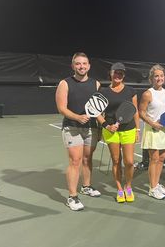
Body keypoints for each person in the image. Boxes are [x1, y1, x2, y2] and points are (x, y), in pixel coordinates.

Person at [55, 52, 101, 211]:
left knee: (88, 158)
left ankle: (86, 187)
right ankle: (72, 197)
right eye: (78, 64)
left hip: (91, 128)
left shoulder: (96, 84)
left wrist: (103, 125)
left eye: (84, 63)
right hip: (72, 127)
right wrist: (77, 117)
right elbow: (61, 108)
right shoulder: (65, 83)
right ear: (73, 66)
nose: (81, 66)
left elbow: (98, 109)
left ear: (89, 66)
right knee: (76, 160)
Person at [97, 62, 139, 203]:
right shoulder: (103, 92)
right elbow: (98, 113)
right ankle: (120, 188)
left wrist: (137, 129)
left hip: (129, 129)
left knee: (129, 162)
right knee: (116, 160)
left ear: (124, 75)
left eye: (121, 73)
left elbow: (135, 111)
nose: (118, 75)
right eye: (116, 72)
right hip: (111, 131)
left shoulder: (130, 91)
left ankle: (128, 186)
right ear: (111, 73)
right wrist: (106, 126)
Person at [139, 64, 165, 200]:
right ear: (151, 78)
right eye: (156, 76)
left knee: (162, 158)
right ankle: (152, 189)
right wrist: (153, 123)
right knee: (154, 159)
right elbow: (141, 112)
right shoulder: (147, 94)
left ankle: (156, 183)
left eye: (161, 75)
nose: (159, 78)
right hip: (152, 129)